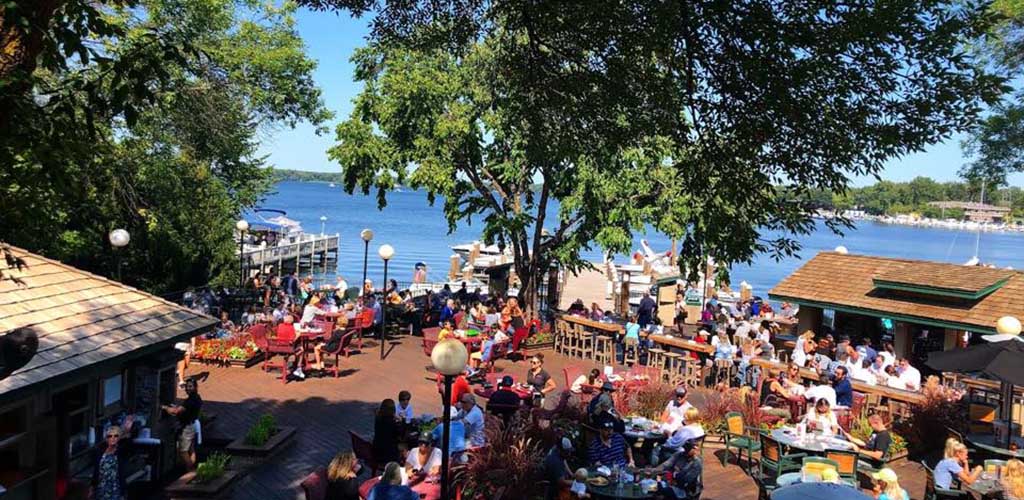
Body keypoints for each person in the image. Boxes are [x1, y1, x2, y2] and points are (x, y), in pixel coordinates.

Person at [90, 417, 135, 500]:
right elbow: (96, 470)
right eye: (110, 436)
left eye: (116, 436)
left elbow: (129, 445)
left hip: (116, 489)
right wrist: (92, 487)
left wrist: (127, 430)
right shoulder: (99, 451)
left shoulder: (121, 451)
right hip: (101, 489)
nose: (113, 438)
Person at [161, 379, 202, 470]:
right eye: (187, 386)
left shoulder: (190, 400)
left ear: (195, 387)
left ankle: (190, 470)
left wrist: (164, 407)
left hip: (187, 428)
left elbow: (176, 412)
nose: (188, 388)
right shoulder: (197, 397)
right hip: (193, 424)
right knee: (191, 450)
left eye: (190, 386)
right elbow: (183, 409)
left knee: (183, 451)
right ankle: (191, 469)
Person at [373, 399, 401, 464]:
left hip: (377, 451)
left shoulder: (378, 418)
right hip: (388, 456)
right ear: (393, 410)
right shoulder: (392, 423)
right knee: (405, 448)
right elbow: (398, 436)